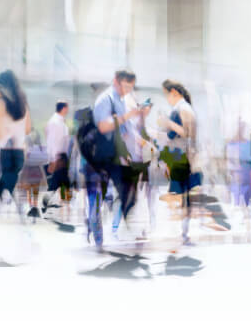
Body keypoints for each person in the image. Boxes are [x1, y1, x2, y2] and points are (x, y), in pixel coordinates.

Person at [85, 70, 150, 250]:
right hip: (100, 157)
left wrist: (139, 141)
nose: (127, 91)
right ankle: (97, 236)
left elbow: (125, 130)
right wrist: (128, 116)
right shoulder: (105, 99)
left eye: (130, 87)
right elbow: (104, 126)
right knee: (97, 199)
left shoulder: (121, 100)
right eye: (125, 86)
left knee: (126, 193)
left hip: (115, 157)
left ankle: (122, 229)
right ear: (115, 81)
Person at [157, 79, 202, 246]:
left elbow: (185, 133)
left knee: (179, 196)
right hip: (186, 157)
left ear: (174, 92)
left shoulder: (182, 108)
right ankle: (183, 232)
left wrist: (167, 123)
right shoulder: (185, 107)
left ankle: (181, 233)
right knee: (183, 197)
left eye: (166, 94)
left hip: (182, 157)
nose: (167, 99)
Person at [0, 70, 31, 218]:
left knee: (6, 177)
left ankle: (3, 198)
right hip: (20, 150)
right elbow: (28, 128)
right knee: (11, 176)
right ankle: (5, 198)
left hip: (6, 149)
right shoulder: (23, 101)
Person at [40, 100, 71, 219]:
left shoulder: (60, 121)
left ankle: (56, 203)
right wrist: (53, 159)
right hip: (58, 156)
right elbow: (52, 142)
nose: (68, 110)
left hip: (61, 156)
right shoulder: (55, 122)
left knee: (61, 182)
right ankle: (48, 202)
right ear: (63, 108)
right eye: (67, 108)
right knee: (58, 182)